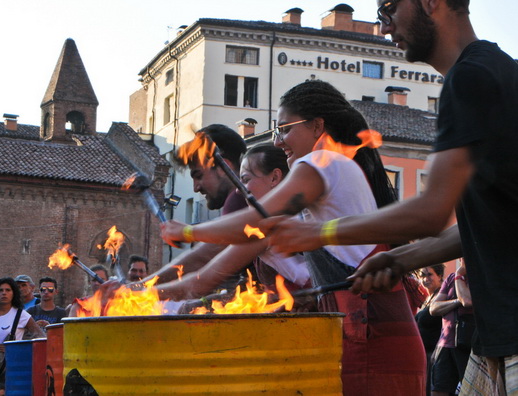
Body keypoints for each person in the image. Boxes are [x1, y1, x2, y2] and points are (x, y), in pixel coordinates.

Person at [262, 0, 518, 394]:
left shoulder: (472, 77)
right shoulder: (480, 74)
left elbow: (432, 211)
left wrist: (322, 233)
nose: (383, 24)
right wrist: (402, 256)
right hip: (516, 321)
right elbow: (491, 224)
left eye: (389, 8)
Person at [160, 80, 426, 395]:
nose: (277, 140)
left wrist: (187, 231)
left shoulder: (321, 162)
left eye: (285, 129)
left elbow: (252, 224)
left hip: (373, 342)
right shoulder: (334, 169)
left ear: (317, 126)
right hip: (370, 337)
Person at [153, 144, 311, 304]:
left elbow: (199, 281)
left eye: (246, 180)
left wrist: (135, 294)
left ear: (274, 177)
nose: (238, 190)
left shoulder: (267, 225)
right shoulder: (282, 216)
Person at [141, 124, 250, 290]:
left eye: (198, 176)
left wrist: (139, 288)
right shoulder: (241, 199)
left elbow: (203, 257)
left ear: (223, 167)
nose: (195, 188)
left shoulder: (238, 198)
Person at [429, 260, 473, 396]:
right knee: (438, 389)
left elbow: (467, 300)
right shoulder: (450, 278)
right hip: (446, 344)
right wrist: (456, 302)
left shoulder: (479, 275)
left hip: (468, 344)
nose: (462, 260)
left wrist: (459, 275)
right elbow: (433, 308)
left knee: (469, 390)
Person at [415, 264, 444, 396]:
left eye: (429, 274)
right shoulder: (427, 299)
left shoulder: (443, 296)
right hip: (423, 355)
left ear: (440, 276)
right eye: (422, 275)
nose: (426, 278)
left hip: (434, 355)